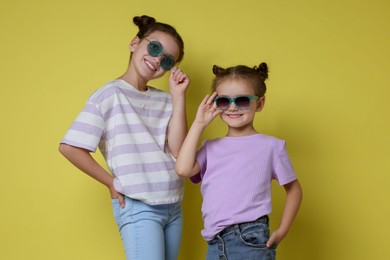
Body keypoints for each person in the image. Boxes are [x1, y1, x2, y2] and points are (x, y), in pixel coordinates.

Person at [59, 15, 190, 260]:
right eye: (154, 48)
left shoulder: (166, 100)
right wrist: (111, 182)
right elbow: (70, 147)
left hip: (173, 203)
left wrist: (179, 96)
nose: (157, 60)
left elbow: (178, 150)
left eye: (167, 60)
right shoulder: (109, 94)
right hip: (139, 205)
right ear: (134, 43)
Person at [175, 62, 302, 259]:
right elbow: (183, 169)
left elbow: (294, 189)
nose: (232, 108)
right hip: (215, 242)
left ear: (259, 104)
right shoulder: (210, 147)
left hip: (250, 239)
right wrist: (199, 123)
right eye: (224, 101)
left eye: (242, 101)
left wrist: (282, 230)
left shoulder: (271, 147)